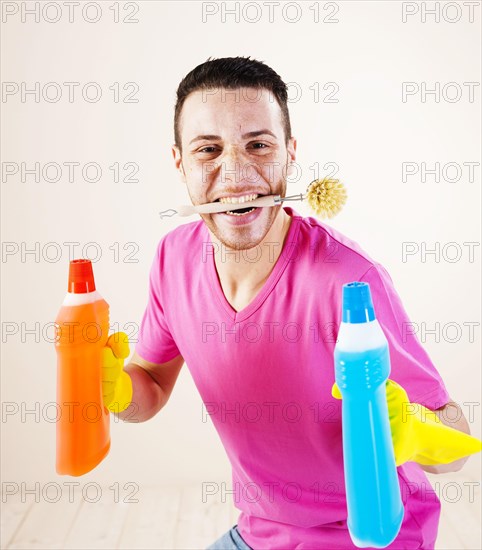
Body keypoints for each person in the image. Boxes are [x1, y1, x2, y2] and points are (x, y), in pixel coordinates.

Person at [104, 56, 474, 549]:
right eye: (208, 150)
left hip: (372, 537)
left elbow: (457, 443)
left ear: (290, 154)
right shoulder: (173, 258)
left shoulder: (349, 281)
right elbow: (148, 385)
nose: (235, 175)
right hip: (260, 534)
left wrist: (415, 430)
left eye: (258, 145)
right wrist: (112, 389)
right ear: (180, 163)